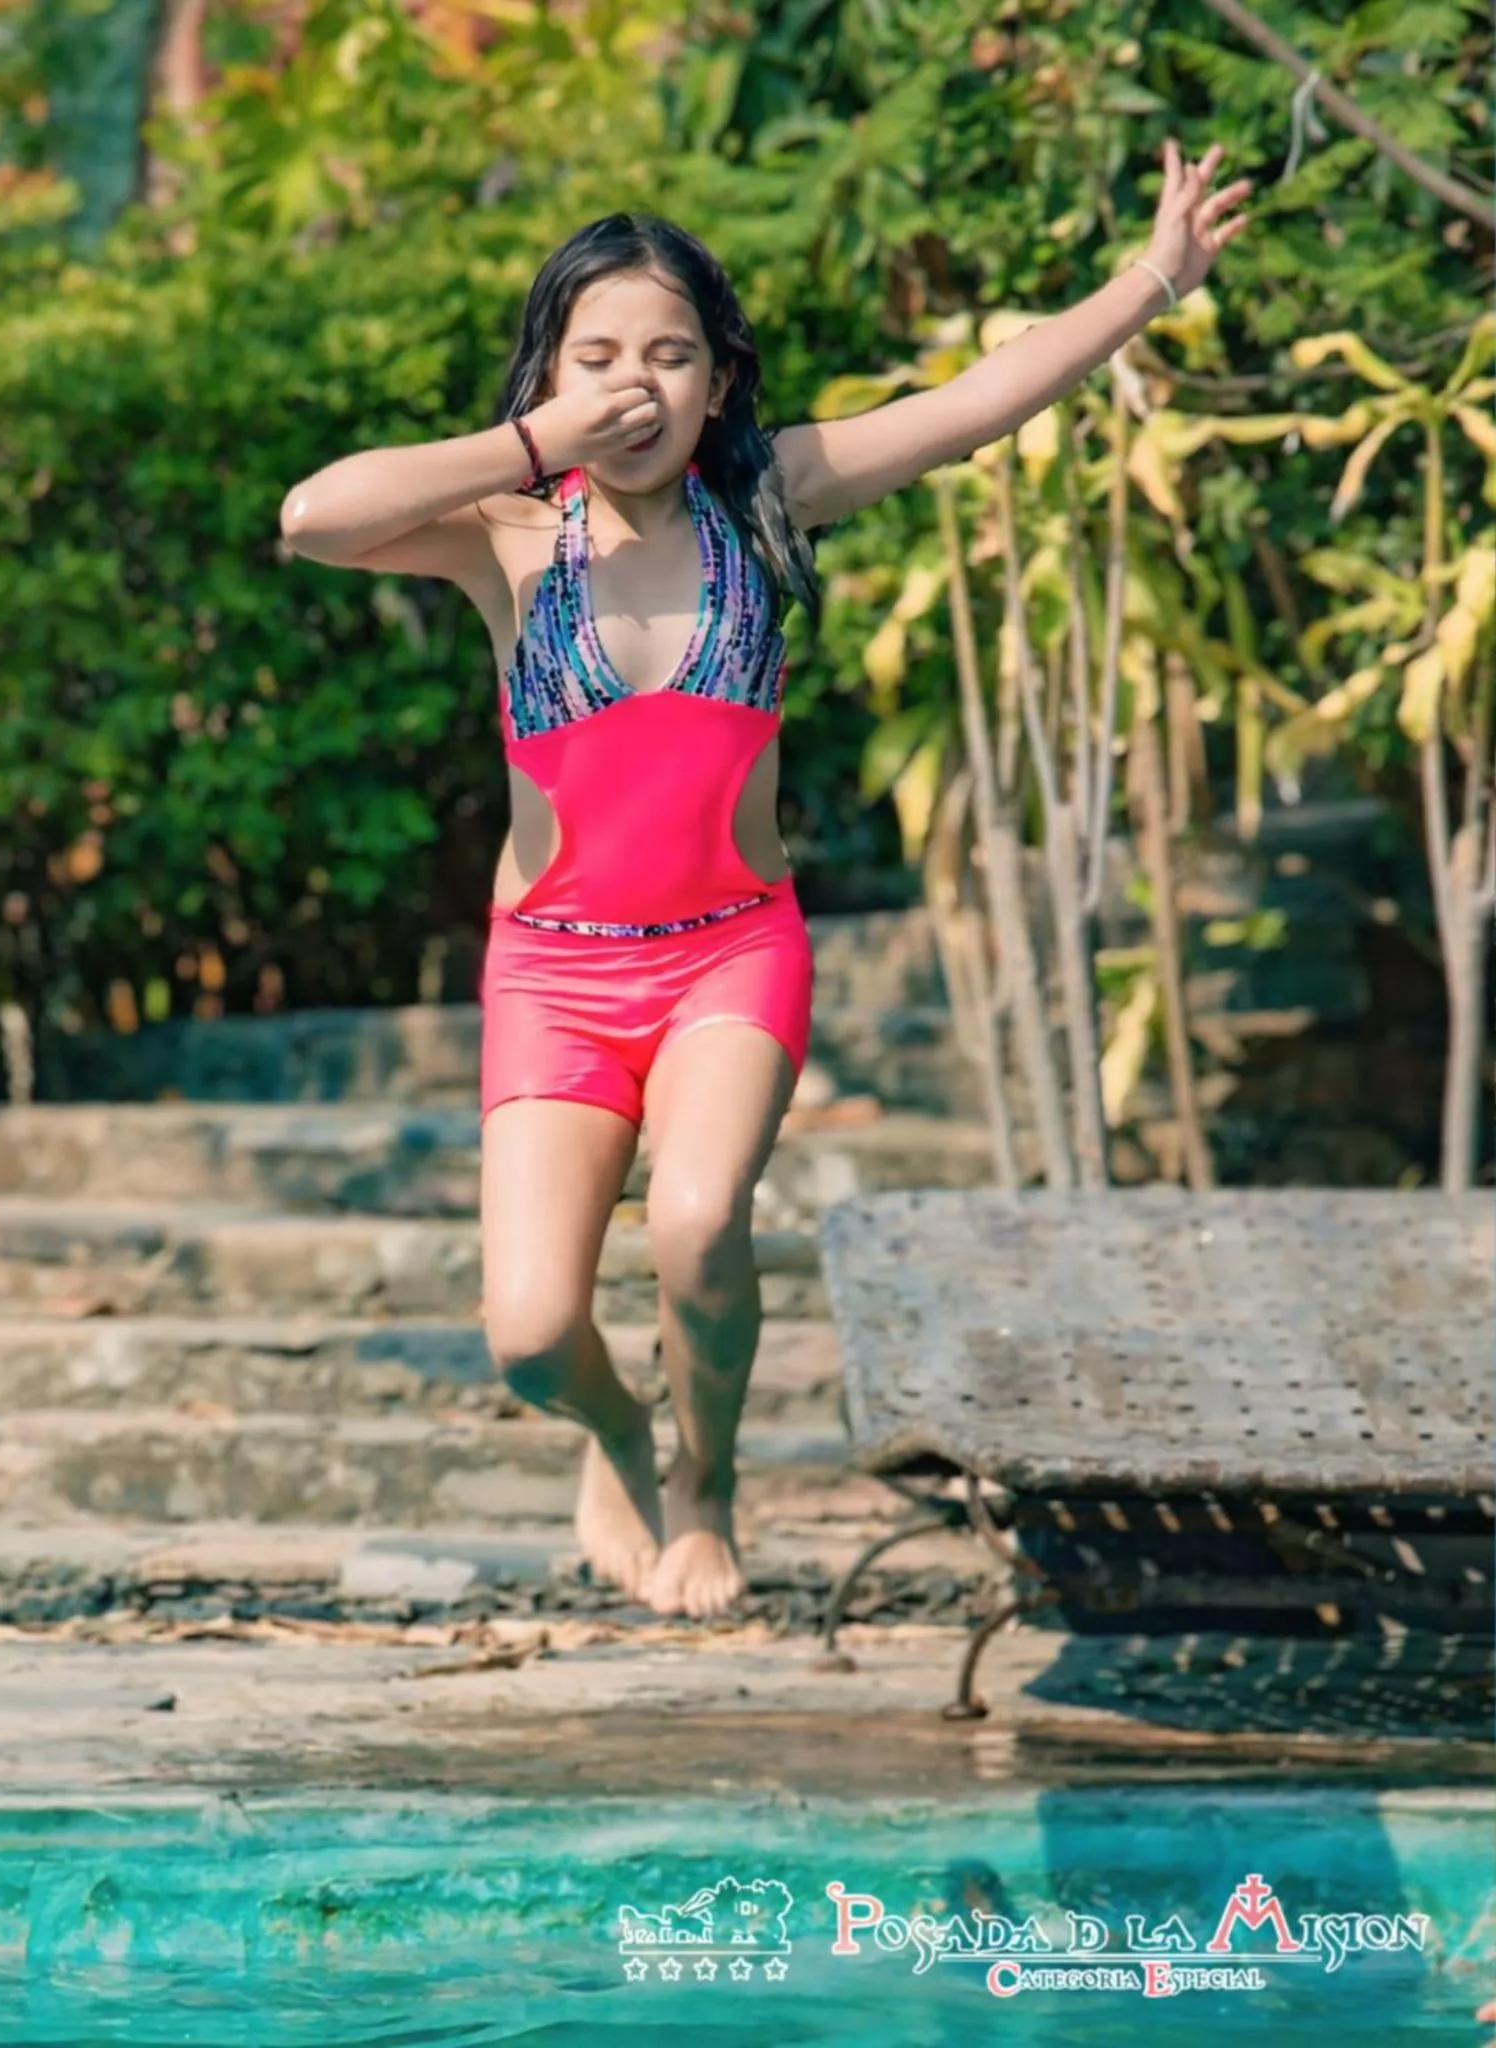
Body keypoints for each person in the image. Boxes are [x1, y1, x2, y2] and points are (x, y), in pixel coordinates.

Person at [280, 140, 1250, 1620]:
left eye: (670, 355)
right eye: (597, 357)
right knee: (529, 1336)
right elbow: (315, 517)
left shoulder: (766, 497)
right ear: (549, 375)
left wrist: (1154, 279)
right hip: (554, 972)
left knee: (694, 1219)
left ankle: (704, 1480)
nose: (634, 386)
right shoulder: (507, 535)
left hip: (729, 951)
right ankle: (616, 1432)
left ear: (720, 381)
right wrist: (536, 440)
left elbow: (976, 405)